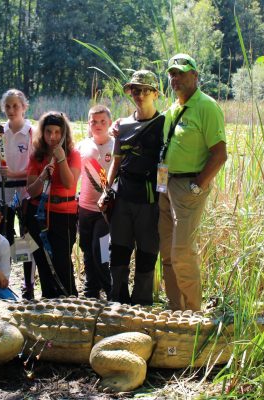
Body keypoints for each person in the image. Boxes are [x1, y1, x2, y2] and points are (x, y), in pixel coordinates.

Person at [159, 53, 227, 311]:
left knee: (182, 253)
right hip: (165, 185)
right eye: (172, 73)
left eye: (181, 72)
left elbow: (220, 154)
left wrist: (198, 185)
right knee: (167, 253)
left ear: (195, 75)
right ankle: (175, 309)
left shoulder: (206, 106)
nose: (175, 78)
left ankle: (192, 312)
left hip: (187, 187)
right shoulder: (173, 109)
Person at [98, 70, 164, 306]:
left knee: (147, 252)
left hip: (150, 198)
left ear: (155, 94)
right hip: (123, 195)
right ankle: (117, 301)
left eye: (146, 90)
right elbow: (116, 162)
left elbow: (167, 163)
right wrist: (106, 192)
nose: (140, 95)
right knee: (118, 250)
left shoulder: (164, 124)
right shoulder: (123, 125)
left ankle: (143, 304)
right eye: (136, 90)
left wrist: (164, 199)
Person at [25, 111, 81, 298]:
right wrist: (42, 176)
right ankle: (48, 297)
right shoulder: (37, 156)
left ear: (64, 133)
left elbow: (69, 184)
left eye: (57, 132)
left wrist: (62, 159)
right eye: (48, 131)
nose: (52, 137)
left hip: (63, 214)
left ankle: (70, 298)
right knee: (42, 259)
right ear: (43, 132)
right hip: (37, 213)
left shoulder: (73, 155)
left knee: (61, 260)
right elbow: (31, 191)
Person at [0, 89, 36, 300]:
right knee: (4, 236)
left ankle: (28, 285)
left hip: (23, 190)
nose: (11, 110)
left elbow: (35, 168)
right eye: (7, 106)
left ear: (24, 107)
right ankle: (2, 281)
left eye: (15, 106)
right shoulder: (0, 132)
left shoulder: (32, 132)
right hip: (2, 190)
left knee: (24, 237)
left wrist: (15, 173)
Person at [77, 105, 114, 299]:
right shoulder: (82, 146)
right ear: (88, 123)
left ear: (109, 123)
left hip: (105, 210)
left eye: (102, 121)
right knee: (86, 249)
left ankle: (110, 290)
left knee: (101, 252)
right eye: (94, 122)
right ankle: (91, 290)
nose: (98, 125)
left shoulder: (116, 146)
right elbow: (75, 174)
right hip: (84, 207)